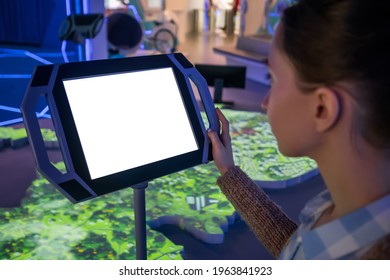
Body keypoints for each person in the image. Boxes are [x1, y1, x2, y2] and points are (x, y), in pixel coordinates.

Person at [207, 0, 390, 259]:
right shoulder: (346, 207)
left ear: (322, 109)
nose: (264, 101)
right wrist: (229, 171)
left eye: (273, 79)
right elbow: (299, 248)